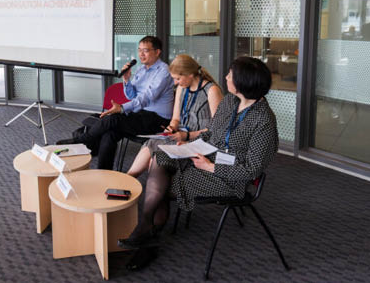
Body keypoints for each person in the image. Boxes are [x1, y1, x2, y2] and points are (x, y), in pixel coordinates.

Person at [117, 56, 279, 265]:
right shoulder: (231, 101)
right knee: (162, 155)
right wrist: (188, 144)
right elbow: (212, 134)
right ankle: (147, 227)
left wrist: (212, 167)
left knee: (163, 186)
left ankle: (147, 237)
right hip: (206, 155)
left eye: (231, 75)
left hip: (228, 178)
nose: (226, 77)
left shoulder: (264, 120)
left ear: (243, 83)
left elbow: (252, 169)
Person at [57, 36, 174, 170]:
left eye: (146, 50)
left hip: (157, 120)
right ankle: (103, 172)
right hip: (140, 115)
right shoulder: (141, 69)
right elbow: (131, 95)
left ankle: (82, 140)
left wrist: (123, 108)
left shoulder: (164, 71)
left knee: (112, 120)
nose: (141, 54)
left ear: (157, 52)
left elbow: (147, 98)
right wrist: (126, 80)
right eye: (139, 50)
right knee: (110, 131)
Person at [126, 54, 222, 178]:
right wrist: (171, 128)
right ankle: (128, 179)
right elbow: (176, 119)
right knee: (152, 142)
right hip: (181, 134)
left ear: (190, 75)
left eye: (177, 79)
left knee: (153, 160)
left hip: (201, 139)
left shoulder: (211, 91)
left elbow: (217, 129)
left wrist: (187, 135)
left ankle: (134, 183)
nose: (175, 83)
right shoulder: (183, 88)